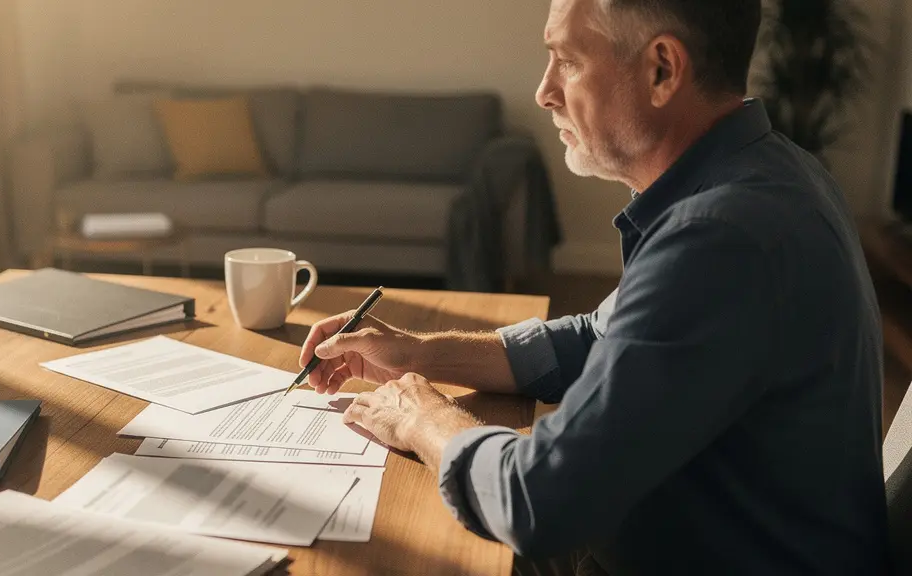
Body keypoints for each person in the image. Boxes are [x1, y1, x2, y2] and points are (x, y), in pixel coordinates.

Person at [299, 0, 889, 573]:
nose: (544, 91)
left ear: (661, 69)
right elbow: (597, 338)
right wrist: (419, 353)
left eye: (568, 60)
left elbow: (539, 501)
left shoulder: (718, 237)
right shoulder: (766, 173)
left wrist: (421, 417)